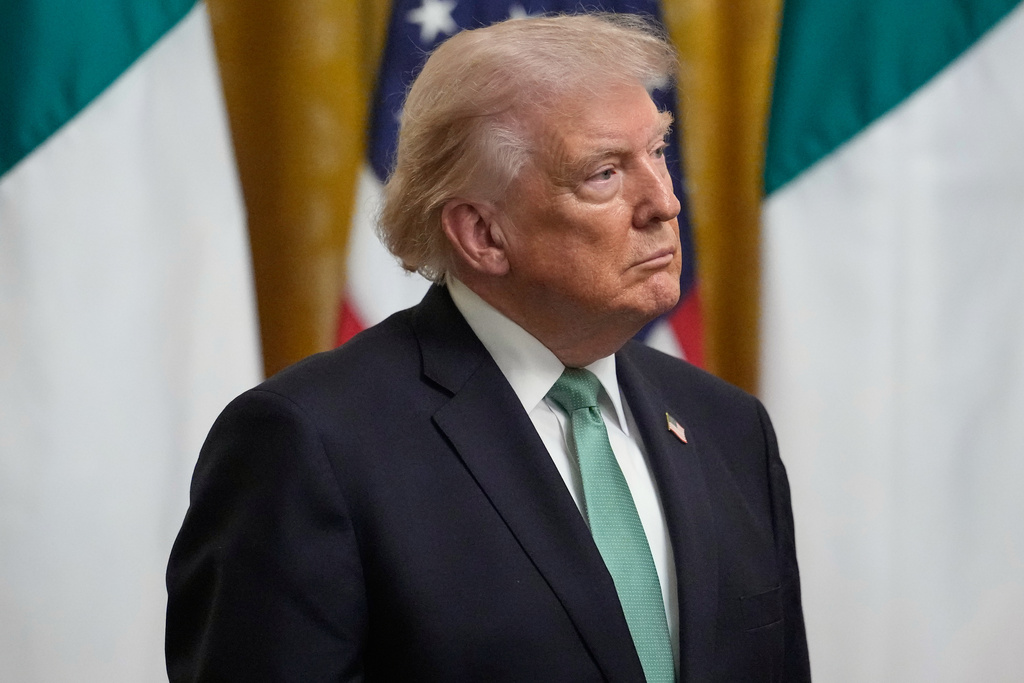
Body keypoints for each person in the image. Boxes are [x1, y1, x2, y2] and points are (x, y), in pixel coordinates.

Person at [166, 13, 810, 682]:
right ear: (482, 234)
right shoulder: (308, 445)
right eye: (604, 173)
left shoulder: (730, 427)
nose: (665, 203)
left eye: (657, 152)